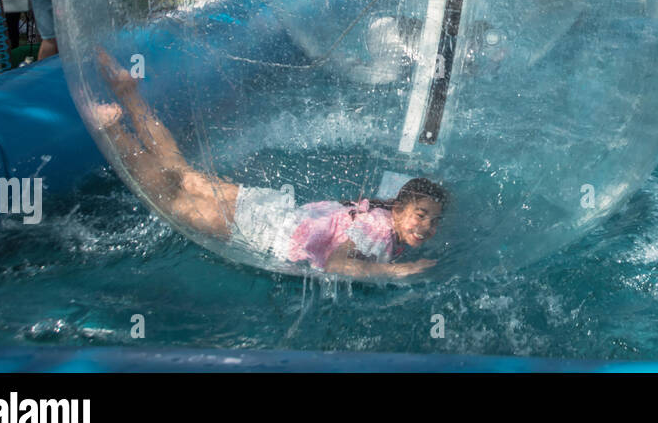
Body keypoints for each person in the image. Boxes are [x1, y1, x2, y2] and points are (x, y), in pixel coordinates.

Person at [93, 50, 442, 278]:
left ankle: (128, 94)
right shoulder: (381, 233)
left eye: (433, 221)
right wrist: (397, 272)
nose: (426, 226)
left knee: (183, 176)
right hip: (266, 231)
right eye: (421, 215)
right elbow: (337, 265)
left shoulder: (379, 217)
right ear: (398, 209)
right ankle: (113, 130)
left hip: (274, 209)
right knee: (169, 200)